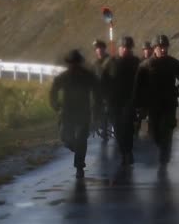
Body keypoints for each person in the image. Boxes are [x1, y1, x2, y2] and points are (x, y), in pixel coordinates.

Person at [133, 35, 179, 165]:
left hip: (169, 103)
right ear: (154, 48)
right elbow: (138, 87)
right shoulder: (145, 65)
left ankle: (164, 157)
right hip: (153, 105)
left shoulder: (174, 63)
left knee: (167, 130)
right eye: (160, 47)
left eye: (165, 47)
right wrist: (138, 106)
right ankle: (157, 151)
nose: (163, 50)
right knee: (154, 132)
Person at [50, 49, 101, 178]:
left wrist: (96, 109)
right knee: (65, 137)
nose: (74, 65)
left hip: (83, 113)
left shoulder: (88, 76)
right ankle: (74, 148)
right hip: (67, 113)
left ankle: (79, 166)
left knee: (82, 140)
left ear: (79, 63)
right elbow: (53, 91)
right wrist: (56, 106)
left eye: (76, 62)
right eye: (72, 63)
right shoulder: (64, 77)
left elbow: (97, 93)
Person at [102, 36, 140, 166]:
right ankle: (124, 151)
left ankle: (128, 152)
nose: (125, 50)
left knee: (128, 127)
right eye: (123, 47)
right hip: (114, 102)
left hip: (129, 100)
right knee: (118, 129)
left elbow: (142, 81)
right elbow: (102, 81)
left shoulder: (136, 62)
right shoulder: (110, 62)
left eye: (128, 48)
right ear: (119, 48)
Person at [92, 39, 115, 143]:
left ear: (104, 49)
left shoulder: (110, 61)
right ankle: (104, 130)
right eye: (97, 49)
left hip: (109, 94)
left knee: (111, 115)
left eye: (100, 48)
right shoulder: (95, 64)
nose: (99, 50)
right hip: (98, 95)